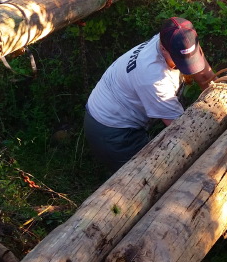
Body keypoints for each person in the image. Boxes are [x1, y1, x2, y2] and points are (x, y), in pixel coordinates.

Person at [84, 17, 216, 173]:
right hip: (111, 130)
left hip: (112, 107)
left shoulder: (181, 40)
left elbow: (206, 77)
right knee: (144, 178)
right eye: (180, 61)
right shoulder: (153, 78)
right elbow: (183, 130)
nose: (187, 65)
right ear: (163, 48)